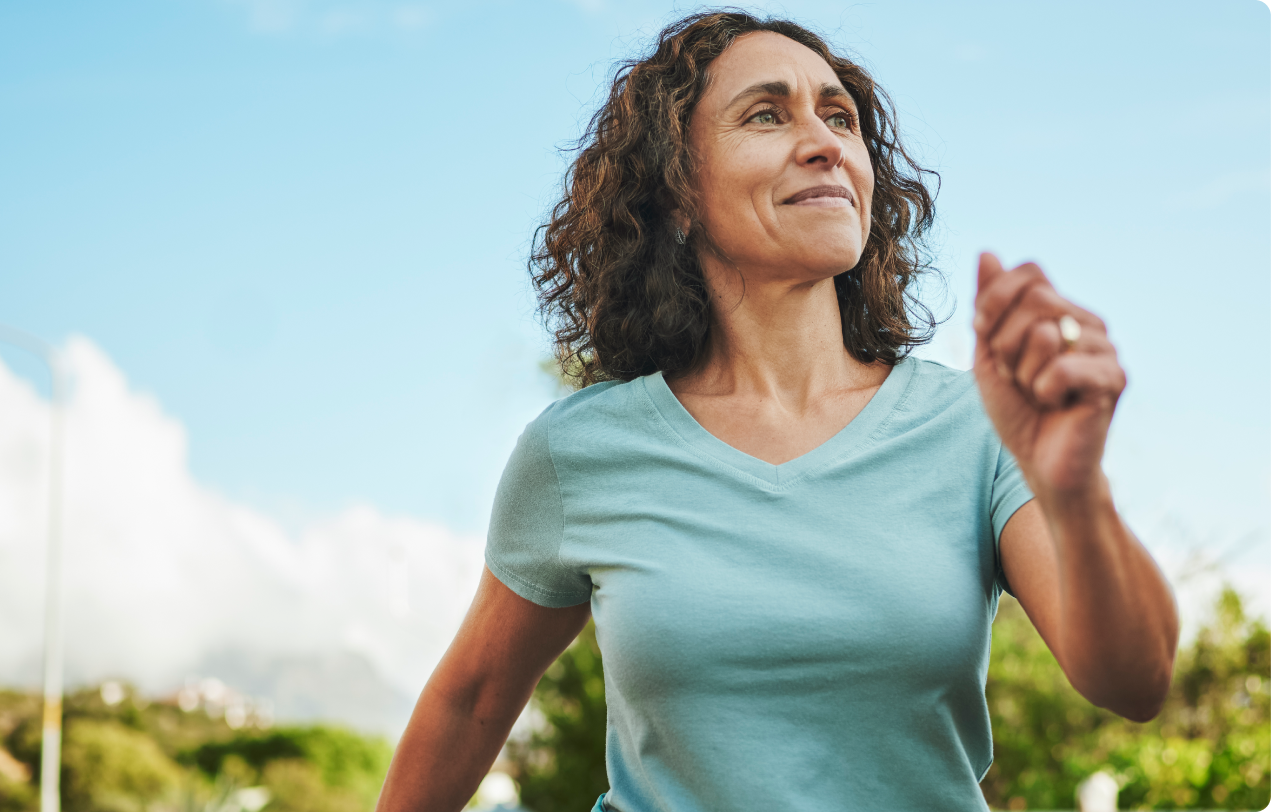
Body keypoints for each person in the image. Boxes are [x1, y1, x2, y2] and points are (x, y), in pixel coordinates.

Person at [375, 11, 1179, 812]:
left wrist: (1077, 493)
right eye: (766, 114)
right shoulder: (578, 451)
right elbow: (472, 699)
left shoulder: (977, 426)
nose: (826, 141)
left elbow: (1133, 681)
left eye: (840, 118)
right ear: (677, 191)